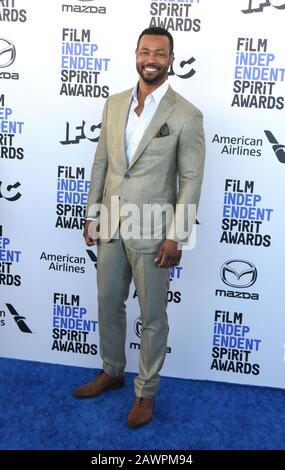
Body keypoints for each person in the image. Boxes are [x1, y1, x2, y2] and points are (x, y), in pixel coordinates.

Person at [73, 26, 205, 428]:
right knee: (108, 303)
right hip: (111, 222)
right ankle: (112, 371)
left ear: (171, 59)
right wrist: (92, 213)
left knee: (152, 317)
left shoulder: (186, 114)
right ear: (135, 54)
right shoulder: (113, 105)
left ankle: (146, 392)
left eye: (160, 53)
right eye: (145, 51)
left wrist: (176, 235)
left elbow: (191, 180)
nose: (151, 58)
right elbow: (102, 162)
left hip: (153, 231)